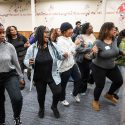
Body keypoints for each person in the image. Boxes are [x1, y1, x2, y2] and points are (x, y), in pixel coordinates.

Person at [24, 25, 67, 118]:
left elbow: (60, 56)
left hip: (52, 74)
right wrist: (29, 62)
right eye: (45, 32)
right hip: (39, 76)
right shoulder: (32, 48)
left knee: (58, 92)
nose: (48, 34)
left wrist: (64, 55)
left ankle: (54, 106)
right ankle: (41, 108)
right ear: (39, 34)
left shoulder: (53, 46)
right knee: (41, 95)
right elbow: (26, 60)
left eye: (48, 32)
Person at [90, 22, 124, 111]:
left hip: (111, 65)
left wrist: (122, 52)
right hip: (98, 67)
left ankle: (109, 94)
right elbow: (91, 56)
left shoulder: (115, 39)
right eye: (113, 29)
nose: (115, 30)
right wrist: (94, 52)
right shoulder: (98, 42)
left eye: (115, 29)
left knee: (119, 81)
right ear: (106, 30)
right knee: (100, 85)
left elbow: (115, 49)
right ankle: (95, 101)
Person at [0, 23, 24, 125]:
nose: (2, 35)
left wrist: (21, 77)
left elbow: (16, 62)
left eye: (3, 32)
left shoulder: (9, 46)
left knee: (17, 98)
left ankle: (16, 117)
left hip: (10, 75)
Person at [57, 22, 81, 106]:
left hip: (72, 63)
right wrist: (75, 45)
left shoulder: (69, 38)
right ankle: (62, 99)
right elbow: (66, 54)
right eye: (69, 29)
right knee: (63, 84)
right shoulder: (60, 41)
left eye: (72, 29)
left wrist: (75, 46)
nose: (72, 31)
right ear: (63, 31)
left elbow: (73, 52)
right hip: (64, 67)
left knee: (78, 79)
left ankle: (74, 93)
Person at [75, 22, 96, 95]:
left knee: (92, 73)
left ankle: (84, 85)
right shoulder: (80, 37)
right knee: (84, 75)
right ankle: (81, 90)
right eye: (90, 26)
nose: (92, 27)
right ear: (86, 28)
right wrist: (89, 49)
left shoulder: (93, 36)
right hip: (83, 59)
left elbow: (95, 46)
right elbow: (77, 49)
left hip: (91, 58)